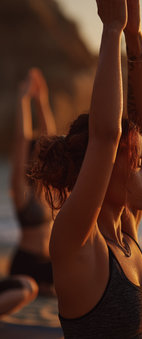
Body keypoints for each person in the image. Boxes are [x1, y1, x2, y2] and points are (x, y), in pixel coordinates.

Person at [30, 0, 142, 337]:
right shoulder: (77, 239)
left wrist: (136, 36)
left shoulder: (126, 228)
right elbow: (106, 136)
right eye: (138, 163)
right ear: (102, 167)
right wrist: (112, 28)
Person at [9, 68, 56, 296]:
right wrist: (23, 99)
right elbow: (21, 140)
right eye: (36, 152)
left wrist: (42, 100)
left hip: (48, 263)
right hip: (25, 265)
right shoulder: (21, 192)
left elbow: (49, 139)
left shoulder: (45, 189)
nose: (41, 155)